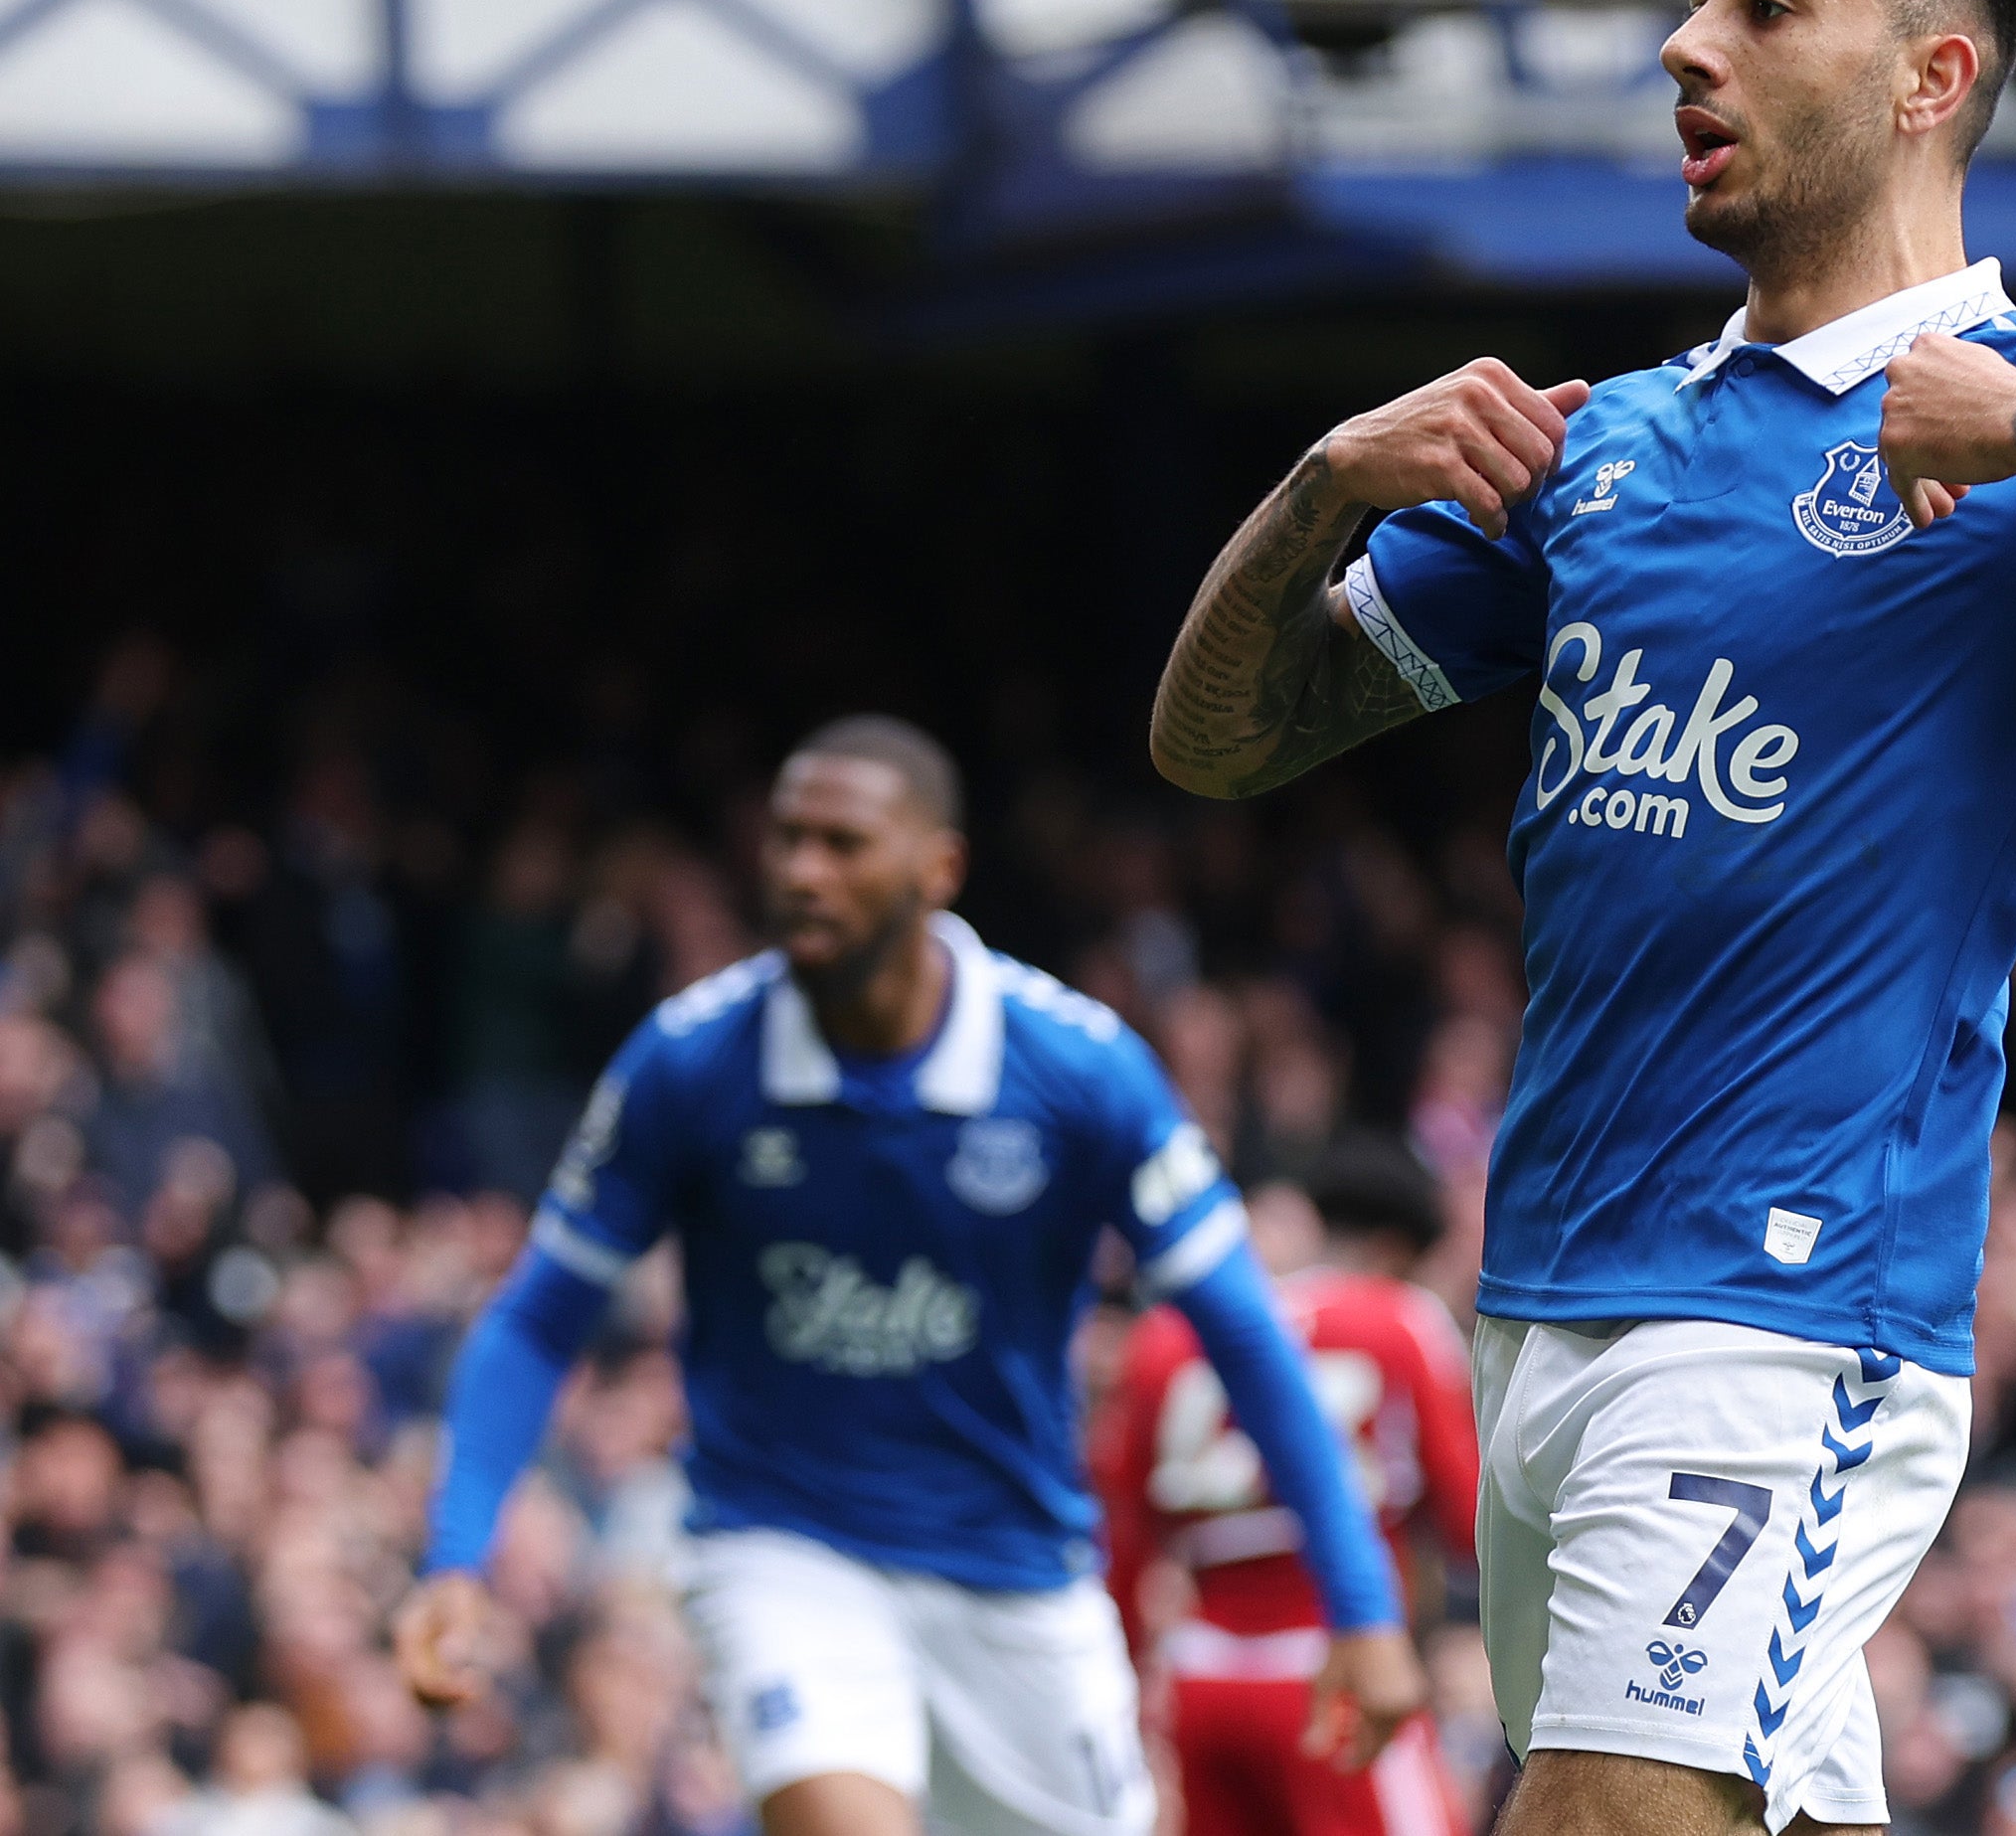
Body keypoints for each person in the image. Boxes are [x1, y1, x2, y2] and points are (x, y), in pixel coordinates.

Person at [1148, 0, 2016, 1836]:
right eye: (1694, 0)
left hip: (1788, 1299)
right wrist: (1326, 482)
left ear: (1933, 76)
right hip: (1548, 1292)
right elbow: (1218, 743)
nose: (1689, 46)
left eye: (1761, 6)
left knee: (1601, 1805)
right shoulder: (1610, 451)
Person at [390, 717, 1423, 1836]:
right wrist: (457, 1553)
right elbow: (542, 1314)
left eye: (843, 843)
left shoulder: (1077, 1070)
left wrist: (1360, 1606)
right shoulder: (691, 1059)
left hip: (1016, 1576)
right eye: (787, 841)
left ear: (938, 868)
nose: (802, 873)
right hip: (782, 1548)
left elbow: (1248, 1339)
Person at [1098, 1136, 1480, 1836]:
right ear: (1399, 1250)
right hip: (1341, 1664)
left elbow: (1121, 1542)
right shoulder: (1400, 1318)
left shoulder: (1164, 1337)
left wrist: (1125, 1687)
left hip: (1198, 1680)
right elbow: (1469, 1523)